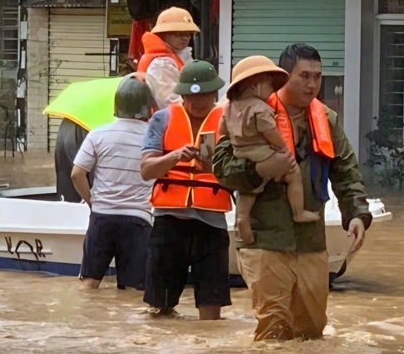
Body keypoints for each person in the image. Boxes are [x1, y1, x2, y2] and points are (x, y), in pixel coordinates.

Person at [213, 44, 373, 341]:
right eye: (304, 76)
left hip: (311, 241)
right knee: (272, 328)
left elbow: (347, 172)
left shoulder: (326, 119)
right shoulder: (247, 110)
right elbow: (221, 169)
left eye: (317, 76)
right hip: (264, 240)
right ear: (284, 77)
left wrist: (357, 215)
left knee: (311, 332)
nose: (312, 84)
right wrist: (260, 169)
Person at [140, 60, 232, 320]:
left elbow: (241, 173)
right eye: (191, 95)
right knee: (160, 309)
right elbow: (146, 170)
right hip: (169, 222)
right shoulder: (162, 118)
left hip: (211, 225)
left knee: (211, 314)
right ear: (181, 95)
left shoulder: (228, 119)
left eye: (203, 95)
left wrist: (217, 166)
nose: (197, 102)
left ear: (214, 93)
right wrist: (175, 157)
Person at [71, 74, 159, 291]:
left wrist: (92, 202)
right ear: (148, 108)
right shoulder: (154, 137)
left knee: (89, 284)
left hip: (102, 218)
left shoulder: (98, 134)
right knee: (132, 292)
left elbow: (76, 174)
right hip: (139, 221)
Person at [222, 55, 320, 244]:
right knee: (293, 173)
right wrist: (283, 149)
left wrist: (228, 141)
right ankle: (298, 212)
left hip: (240, 152)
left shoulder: (229, 107)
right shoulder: (261, 108)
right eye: (268, 84)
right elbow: (270, 131)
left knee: (247, 188)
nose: (272, 88)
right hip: (262, 152)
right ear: (254, 86)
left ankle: (242, 218)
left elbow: (222, 131)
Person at [138, 7, 199, 109]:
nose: (185, 38)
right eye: (178, 33)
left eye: (188, 33)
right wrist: (201, 108)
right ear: (163, 34)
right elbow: (169, 102)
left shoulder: (180, 56)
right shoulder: (161, 64)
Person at [55, 118, 91, 203]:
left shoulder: (66, 121)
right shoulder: (90, 125)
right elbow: (78, 174)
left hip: (67, 196)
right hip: (85, 199)